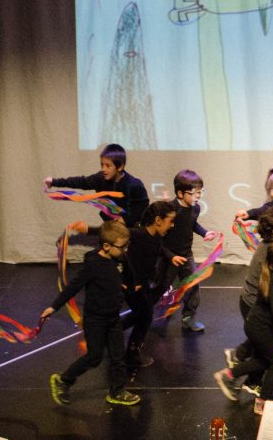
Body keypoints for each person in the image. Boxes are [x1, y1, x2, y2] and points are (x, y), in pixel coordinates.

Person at [70, 200, 177, 371]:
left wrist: (172, 256)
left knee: (141, 314)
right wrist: (88, 229)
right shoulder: (137, 234)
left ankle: (111, 335)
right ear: (158, 220)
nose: (172, 225)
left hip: (142, 284)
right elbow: (112, 232)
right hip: (131, 285)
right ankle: (131, 353)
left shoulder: (157, 237)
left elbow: (160, 249)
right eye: (170, 221)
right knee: (145, 315)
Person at [45, 221, 140, 406]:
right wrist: (54, 307)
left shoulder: (120, 258)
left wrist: (129, 285)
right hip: (95, 320)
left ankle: (117, 392)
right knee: (94, 357)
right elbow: (73, 286)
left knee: (118, 357)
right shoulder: (93, 264)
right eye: (122, 247)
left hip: (113, 318)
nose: (125, 251)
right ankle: (63, 380)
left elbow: (129, 272)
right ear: (106, 246)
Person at [215, 241, 273, 415]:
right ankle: (262, 402)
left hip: (260, 326)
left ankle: (228, 375)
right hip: (259, 328)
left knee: (265, 361)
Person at [224, 206, 273, 397]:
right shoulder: (270, 252)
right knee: (268, 352)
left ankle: (239, 358)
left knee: (262, 345)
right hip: (253, 305)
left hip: (257, 305)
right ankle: (242, 378)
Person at [44, 143, 149, 228]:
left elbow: (142, 208)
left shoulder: (134, 185)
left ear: (120, 166)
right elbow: (81, 182)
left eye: (108, 166)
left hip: (132, 228)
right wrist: (54, 182)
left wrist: (126, 220)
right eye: (102, 165)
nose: (103, 169)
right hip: (113, 226)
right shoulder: (100, 178)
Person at [157, 169, 209, 333]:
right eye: (194, 193)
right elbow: (158, 237)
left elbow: (192, 224)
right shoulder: (170, 209)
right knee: (161, 287)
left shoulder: (195, 208)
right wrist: (170, 256)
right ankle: (155, 316)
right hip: (168, 257)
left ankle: (188, 318)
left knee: (192, 286)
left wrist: (205, 233)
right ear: (180, 193)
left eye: (200, 192)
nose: (198, 196)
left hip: (186, 255)